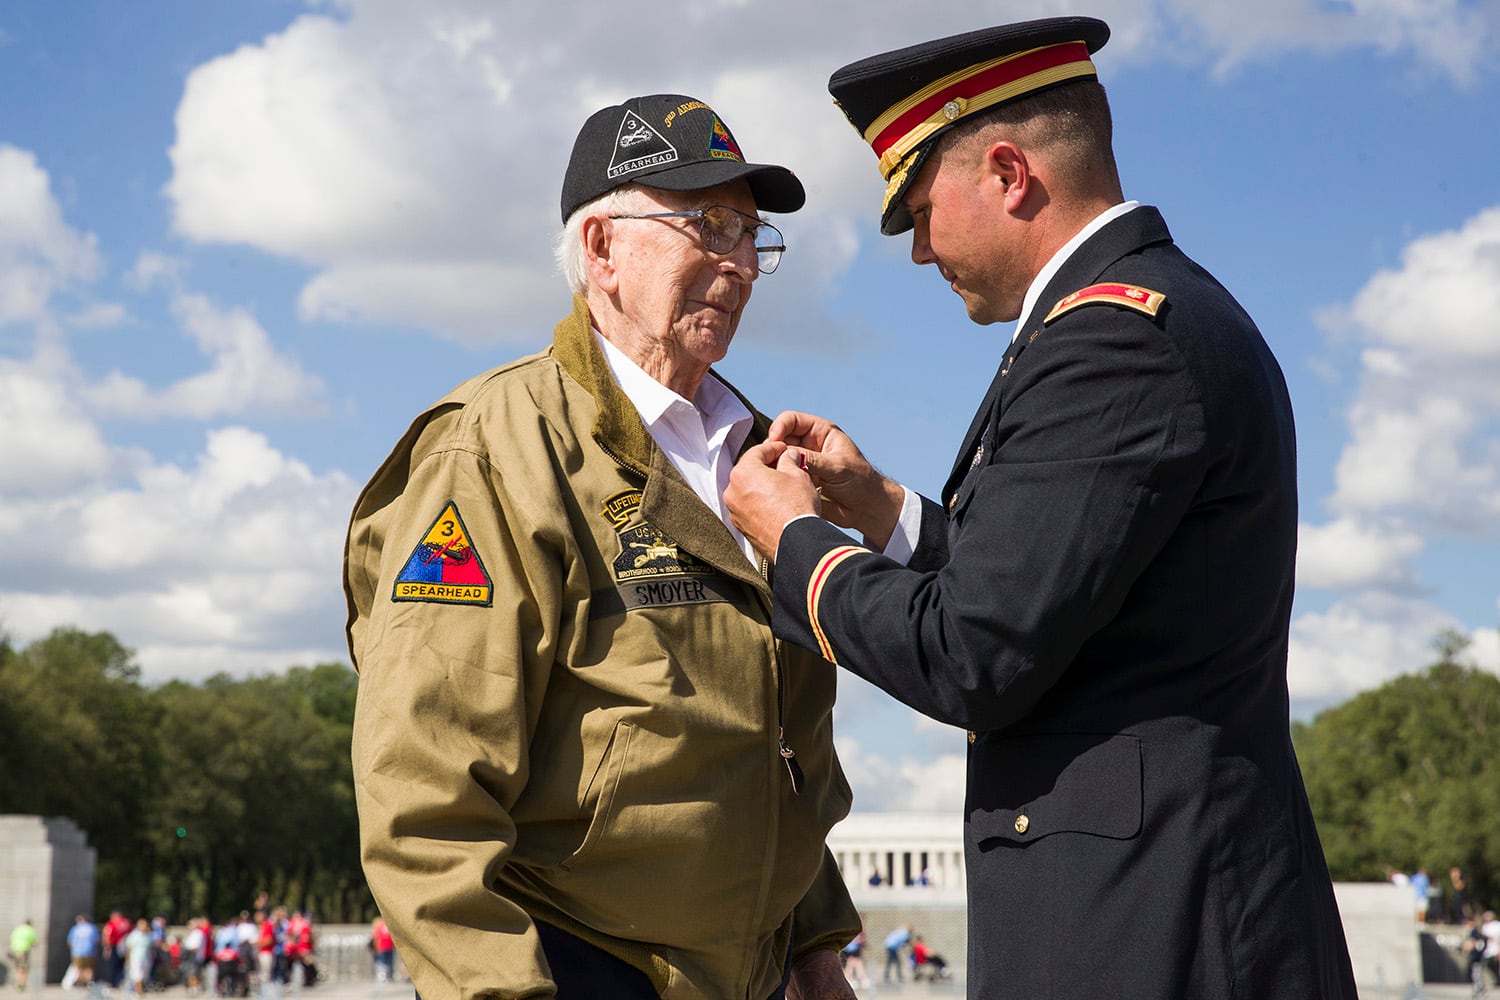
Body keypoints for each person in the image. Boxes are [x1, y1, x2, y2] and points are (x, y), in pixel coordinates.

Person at [724, 16, 1357, 999]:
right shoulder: (1144, 313)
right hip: (1162, 909)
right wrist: (884, 509)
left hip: (1150, 928)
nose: (921, 251)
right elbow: (1059, 587)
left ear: (1010, 173)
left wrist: (794, 540)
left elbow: (973, 651)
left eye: (921, 209)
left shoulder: (1112, 341)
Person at [346, 92, 859, 1000]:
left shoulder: (756, 460)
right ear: (602, 249)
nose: (738, 263)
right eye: (707, 224)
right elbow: (424, 795)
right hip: (583, 964)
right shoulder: (496, 446)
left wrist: (816, 945)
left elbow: (778, 746)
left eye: (751, 234)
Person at [65, 914, 99, 991]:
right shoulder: (92, 928)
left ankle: (80, 983)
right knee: (89, 968)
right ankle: (89, 983)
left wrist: (73, 949)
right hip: (89, 951)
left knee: (79, 968)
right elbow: (96, 940)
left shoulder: (75, 928)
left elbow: (70, 941)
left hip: (77, 952)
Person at [8, 919, 37, 992]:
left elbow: (11, 938)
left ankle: (19, 982)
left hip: (14, 950)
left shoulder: (18, 929)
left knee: (18, 967)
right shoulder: (30, 930)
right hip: (23, 951)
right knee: (23, 968)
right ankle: (21, 984)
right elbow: (34, 942)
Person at [368, 917, 394, 985]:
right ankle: (386, 976)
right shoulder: (386, 926)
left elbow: (375, 938)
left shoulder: (379, 927)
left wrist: (376, 948)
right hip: (387, 947)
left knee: (382, 962)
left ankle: (383, 976)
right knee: (387, 962)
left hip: (383, 948)